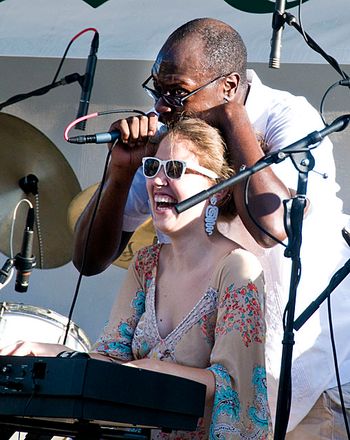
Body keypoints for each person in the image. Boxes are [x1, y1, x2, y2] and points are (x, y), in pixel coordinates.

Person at [72, 18, 350, 438]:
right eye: (157, 90)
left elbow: (273, 227)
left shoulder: (288, 118)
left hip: (308, 382)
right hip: (206, 393)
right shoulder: (174, 138)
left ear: (228, 85)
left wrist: (234, 119)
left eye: (177, 92)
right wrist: (120, 172)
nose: (162, 107)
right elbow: (89, 259)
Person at [0, 118, 273, 439]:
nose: (158, 180)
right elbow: (112, 359)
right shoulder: (146, 264)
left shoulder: (238, 270)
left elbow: (234, 383)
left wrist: (153, 370)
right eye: (153, 167)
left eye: (174, 170)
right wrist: (53, 353)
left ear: (216, 189)